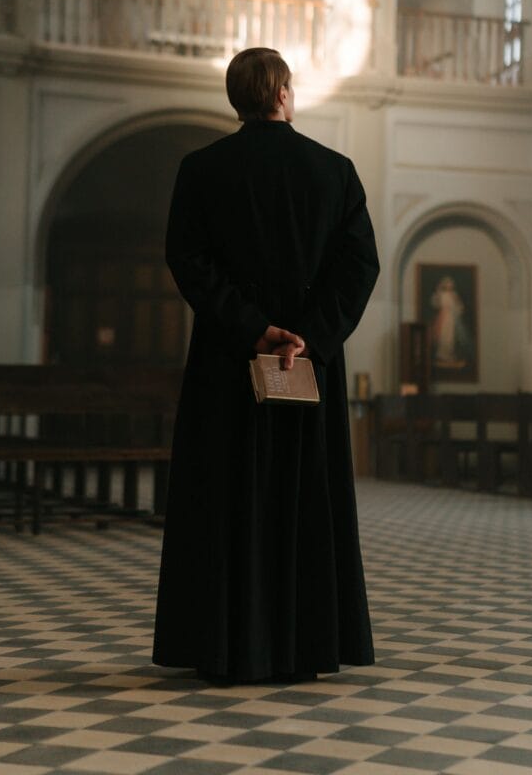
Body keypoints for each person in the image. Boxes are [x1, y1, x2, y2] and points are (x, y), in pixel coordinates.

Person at [152, 47, 380, 683]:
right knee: (306, 494)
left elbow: (188, 258)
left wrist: (252, 328)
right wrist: (310, 337)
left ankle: (224, 644)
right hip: (308, 363)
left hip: (229, 360)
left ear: (236, 98)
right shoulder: (334, 171)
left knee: (225, 493)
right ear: (283, 92)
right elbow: (360, 266)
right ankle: (307, 643)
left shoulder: (201, 169)